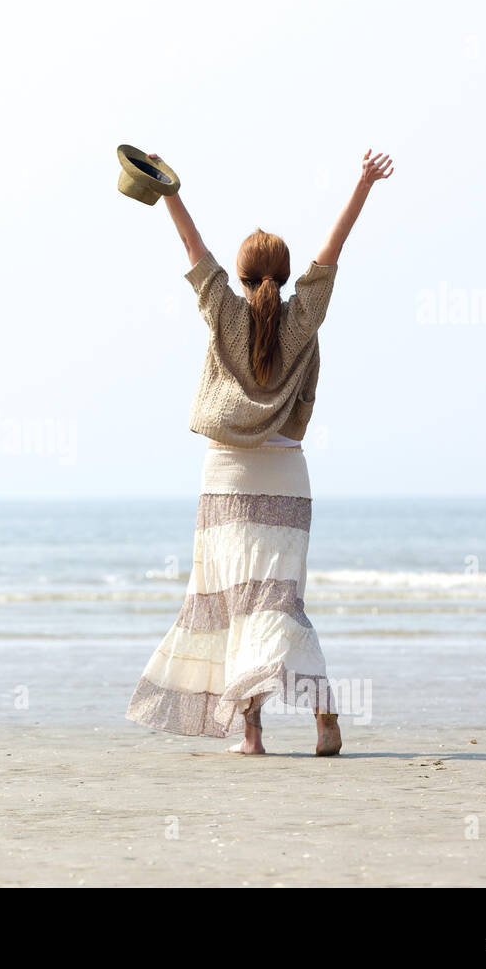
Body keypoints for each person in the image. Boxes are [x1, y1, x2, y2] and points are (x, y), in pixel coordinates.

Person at [125, 149, 394, 756]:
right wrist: (362, 184)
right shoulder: (305, 317)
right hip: (288, 476)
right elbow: (334, 251)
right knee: (278, 602)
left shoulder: (222, 311)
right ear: (284, 272)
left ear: (241, 277)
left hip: (227, 475)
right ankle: (322, 709)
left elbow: (194, 252)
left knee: (234, 602)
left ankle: (252, 734)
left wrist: (168, 188)